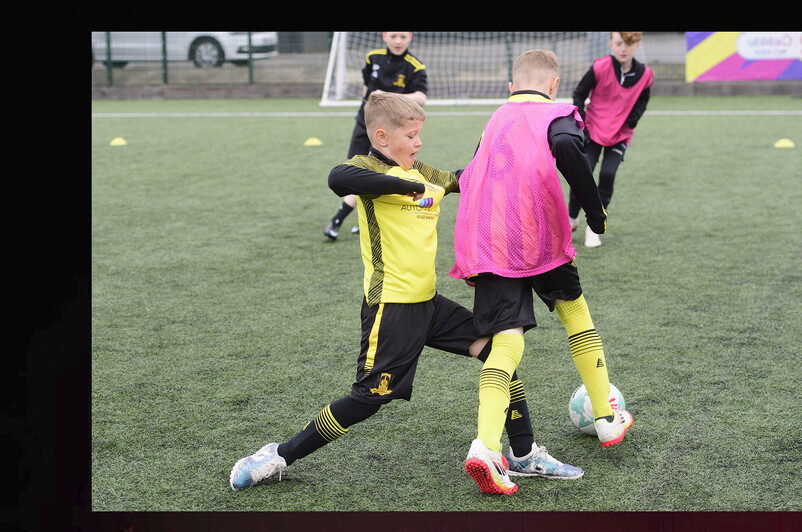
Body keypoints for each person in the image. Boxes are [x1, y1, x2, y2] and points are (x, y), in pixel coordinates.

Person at [230, 92, 583, 493]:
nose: (419, 143)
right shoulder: (367, 170)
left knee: (500, 354)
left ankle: (523, 454)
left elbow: (467, 177)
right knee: (367, 399)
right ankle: (277, 455)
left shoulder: (425, 174)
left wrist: (509, 155)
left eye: (420, 135)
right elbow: (337, 178)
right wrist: (399, 186)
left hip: (430, 305)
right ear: (382, 136)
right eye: (412, 136)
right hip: (392, 309)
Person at [450, 49, 634, 496]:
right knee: (575, 315)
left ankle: (485, 447)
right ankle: (606, 418)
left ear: (511, 88)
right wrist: (595, 212)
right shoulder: (558, 113)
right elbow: (570, 147)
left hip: (490, 240)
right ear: (553, 86)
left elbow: (473, 171)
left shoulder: (495, 118)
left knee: (507, 342)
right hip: (540, 239)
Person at [323, 31, 428, 241]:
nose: (398, 41)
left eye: (403, 37)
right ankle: (361, 219)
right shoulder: (373, 57)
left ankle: (338, 219)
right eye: (393, 36)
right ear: (384, 36)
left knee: (380, 174)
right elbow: (366, 88)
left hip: (391, 132)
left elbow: (421, 97)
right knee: (355, 168)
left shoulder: (415, 66)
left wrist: (386, 96)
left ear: (411, 38)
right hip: (364, 124)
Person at [568, 32, 653, 248]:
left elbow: (643, 98)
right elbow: (579, 94)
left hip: (621, 134)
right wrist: (583, 124)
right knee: (583, 174)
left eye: (628, 44)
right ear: (611, 44)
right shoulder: (600, 67)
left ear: (637, 46)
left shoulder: (645, 75)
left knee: (607, 175)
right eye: (619, 43)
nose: (623, 48)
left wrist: (633, 119)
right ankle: (571, 218)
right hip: (593, 130)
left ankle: (593, 228)